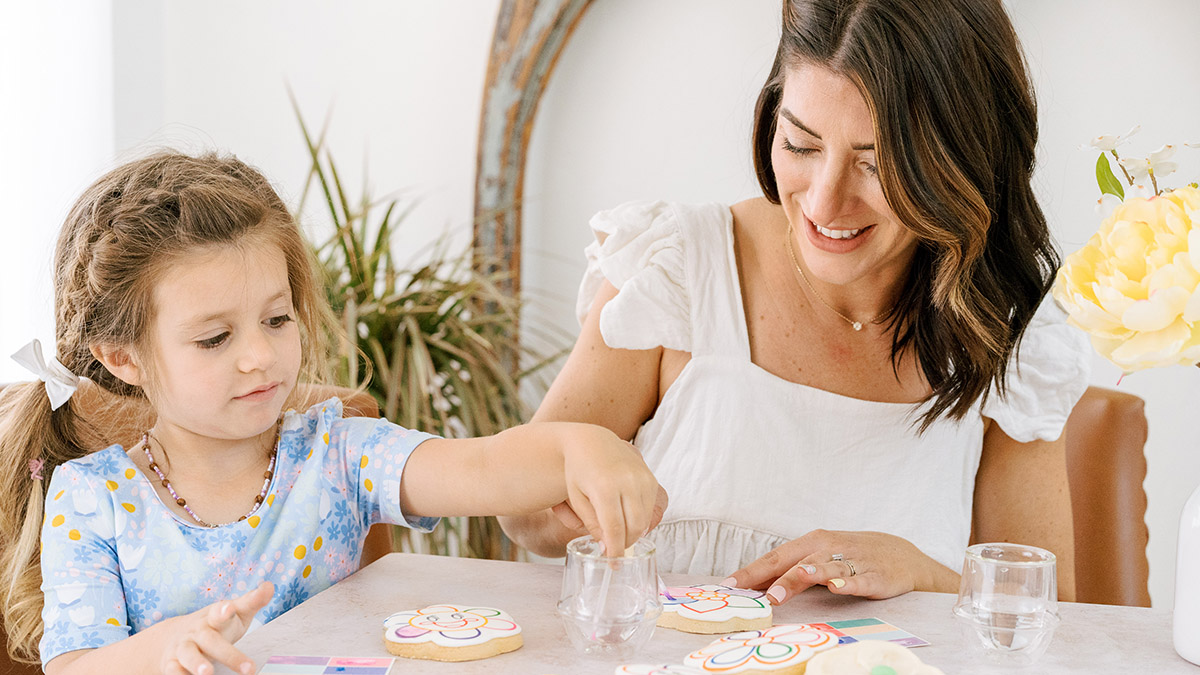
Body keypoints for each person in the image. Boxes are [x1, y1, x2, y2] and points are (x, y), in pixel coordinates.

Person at [500, 0, 1089, 606]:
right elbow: (524, 519)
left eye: (877, 163)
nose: (826, 203)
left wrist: (920, 572)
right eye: (802, 146)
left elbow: (1049, 617)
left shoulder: (1004, 331)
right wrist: (578, 494)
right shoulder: (676, 270)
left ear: (963, 160)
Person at [0, 151, 663, 675]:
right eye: (215, 338)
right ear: (124, 359)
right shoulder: (91, 498)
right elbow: (77, 665)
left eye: (276, 318)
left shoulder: (339, 452)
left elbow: (482, 465)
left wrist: (581, 447)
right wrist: (164, 650)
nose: (260, 355)